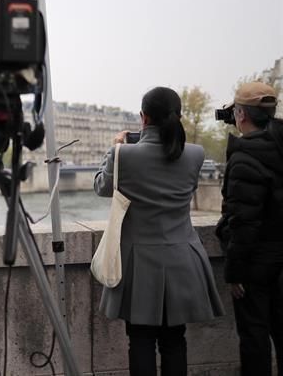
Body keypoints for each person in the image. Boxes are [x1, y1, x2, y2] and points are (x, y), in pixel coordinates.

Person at [94, 86, 224, 376]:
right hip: (182, 260)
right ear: (178, 116)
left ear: (143, 118)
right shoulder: (196, 155)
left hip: (140, 265)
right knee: (175, 341)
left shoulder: (124, 155)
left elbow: (102, 188)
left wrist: (114, 148)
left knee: (140, 341)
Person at [216, 81, 283, 376]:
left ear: (241, 115)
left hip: (256, 267)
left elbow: (243, 223)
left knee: (255, 341)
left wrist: (234, 273)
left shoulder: (244, 158)